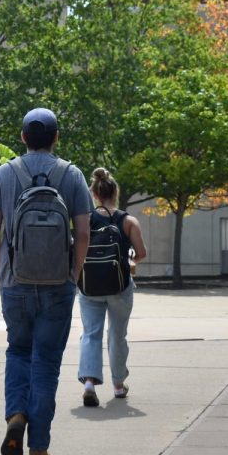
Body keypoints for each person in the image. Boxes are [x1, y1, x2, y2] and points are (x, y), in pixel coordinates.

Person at [0, 108, 91, 455]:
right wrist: (72, 274)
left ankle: (16, 413)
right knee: (46, 362)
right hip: (58, 285)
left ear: (23, 137)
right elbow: (83, 233)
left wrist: (4, 272)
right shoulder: (72, 175)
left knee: (17, 351)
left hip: (16, 283)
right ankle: (39, 448)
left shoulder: (4, 174)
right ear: (56, 137)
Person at [76, 168, 147, 406]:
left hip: (89, 286)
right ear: (115, 192)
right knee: (117, 335)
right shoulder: (128, 221)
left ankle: (89, 382)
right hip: (119, 286)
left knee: (90, 333)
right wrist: (130, 260)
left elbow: (76, 248)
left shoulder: (84, 219)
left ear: (94, 194)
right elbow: (141, 253)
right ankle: (118, 384)